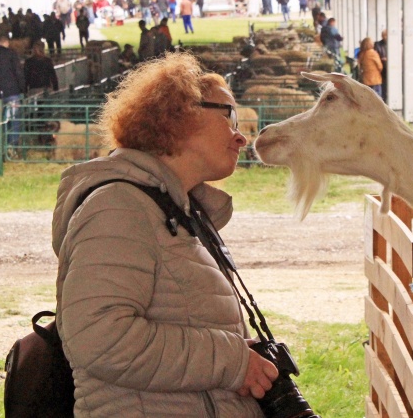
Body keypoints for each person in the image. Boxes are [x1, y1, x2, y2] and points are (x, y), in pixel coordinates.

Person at [52, 52, 278, 417]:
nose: (240, 137)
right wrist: (231, 361)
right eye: (229, 115)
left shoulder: (171, 210)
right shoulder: (118, 208)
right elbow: (100, 339)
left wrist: (242, 357)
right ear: (180, 116)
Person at [0, 35, 26, 146]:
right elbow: (19, 73)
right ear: (6, 42)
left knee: (2, 120)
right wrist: (23, 89)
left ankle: (4, 145)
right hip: (12, 92)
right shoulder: (11, 54)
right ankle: (13, 146)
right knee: (14, 119)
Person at [374, 29, 388, 97]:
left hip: (388, 67)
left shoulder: (393, 44)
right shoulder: (377, 44)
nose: (384, 37)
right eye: (383, 35)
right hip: (381, 68)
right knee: (383, 85)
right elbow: (376, 55)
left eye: (386, 35)